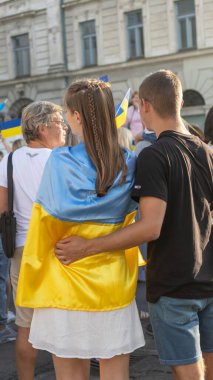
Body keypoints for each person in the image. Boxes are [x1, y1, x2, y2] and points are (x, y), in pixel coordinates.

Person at [54, 70, 213, 380]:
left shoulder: (154, 155)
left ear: (148, 106)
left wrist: (88, 246)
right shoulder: (205, 151)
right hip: (208, 277)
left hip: (175, 283)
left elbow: (150, 227)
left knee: (189, 373)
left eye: (138, 107)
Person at [17, 79, 144, 380]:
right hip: (112, 283)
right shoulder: (129, 162)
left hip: (63, 279)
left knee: (70, 375)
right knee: (116, 372)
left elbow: (43, 227)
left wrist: (31, 280)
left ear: (76, 117)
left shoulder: (60, 160)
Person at [0, 101, 67, 380]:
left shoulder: (9, 160)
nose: (63, 127)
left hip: (22, 251)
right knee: (62, 327)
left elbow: (3, 211)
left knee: (25, 327)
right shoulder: (60, 160)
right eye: (59, 122)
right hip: (57, 250)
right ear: (42, 128)